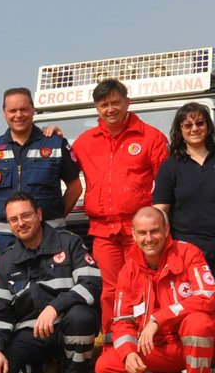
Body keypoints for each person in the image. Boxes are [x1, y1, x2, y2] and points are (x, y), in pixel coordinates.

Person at [94, 208, 215, 373]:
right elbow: (122, 320)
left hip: (191, 344)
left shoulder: (189, 253)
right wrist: (127, 353)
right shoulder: (128, 271)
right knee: (106, 367)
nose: (149, 239)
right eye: (142, 233)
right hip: (155, 349)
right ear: (133, 235)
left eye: (154, 231)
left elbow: (207, 296)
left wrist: (158, 318)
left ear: (166, 230)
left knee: (198, 323)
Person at [0, 193, 102, 373]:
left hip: (68, 325)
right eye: (14, 219)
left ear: (39, 214)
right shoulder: (6, 261)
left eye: (26, 215)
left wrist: (55, 307)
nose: (21, 223)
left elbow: (92, 283)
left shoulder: (69, 243)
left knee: (81, 317)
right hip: (32, 334)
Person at [71, 78, 169, 321]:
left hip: (140, 230)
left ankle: (149, 341)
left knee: (143, 285)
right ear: (97, 108)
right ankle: (113, 345)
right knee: (109, 290)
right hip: (103, 231)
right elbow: (62, 163)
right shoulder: (84, 142)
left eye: (116, 102)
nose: (110, 109)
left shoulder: (151, 138)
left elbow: (167, 185)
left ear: (127, 102)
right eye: (104, 104)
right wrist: (52, 133)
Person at [152, 101, 215, 300]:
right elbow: (161, 210)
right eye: (187, 125)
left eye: (200, 123)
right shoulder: (170, 166)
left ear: (208, 126)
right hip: (188, 252)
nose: (195, 129)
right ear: (180, 130)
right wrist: (164, 247)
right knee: (196, 305)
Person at [0, 88, 81, 253]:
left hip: (50, 237)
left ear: (33, 109)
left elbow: (75, 188)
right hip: (7, 241)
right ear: (4, 113)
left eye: (24, 109)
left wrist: (54, 217)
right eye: (12, 110)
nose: (18, 115)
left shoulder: (55, 144)